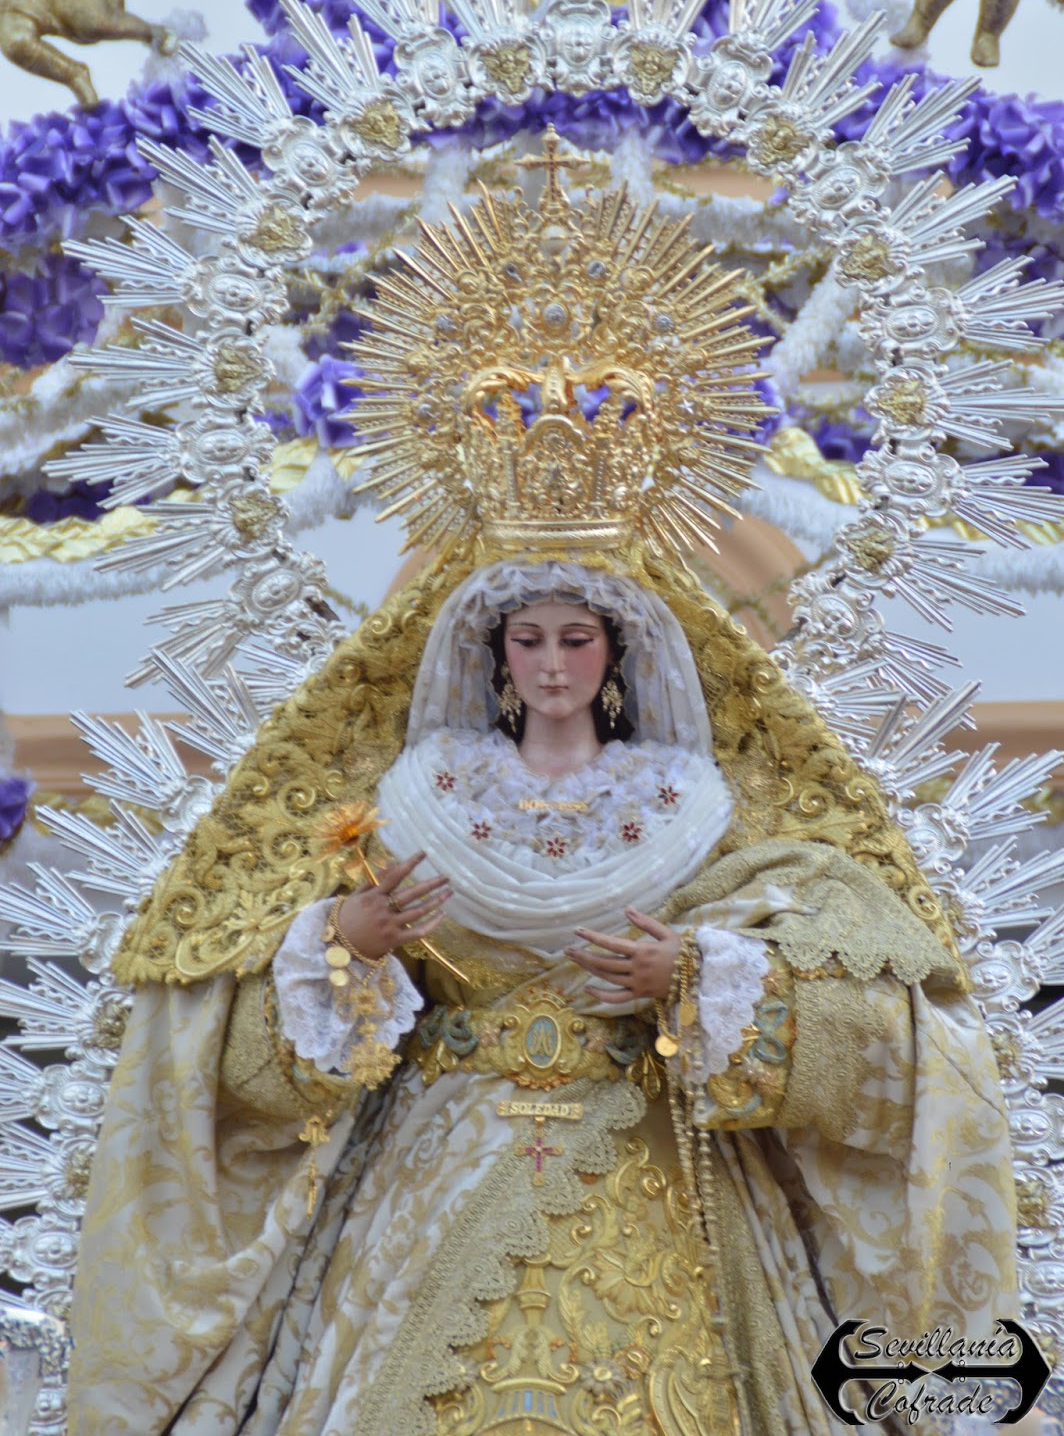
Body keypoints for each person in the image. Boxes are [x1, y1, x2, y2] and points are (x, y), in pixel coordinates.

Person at [65, 542, 1019, 1435]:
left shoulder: (692, 808)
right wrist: (350, 945)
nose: (553, 666)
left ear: (616, 653)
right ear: (496, 656)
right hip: (436, 1146)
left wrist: (690, 977)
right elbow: (260, 1062)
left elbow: (842, 990)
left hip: (649, 1132)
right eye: (528, 641)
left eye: (576, 640)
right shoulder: (417, 800)